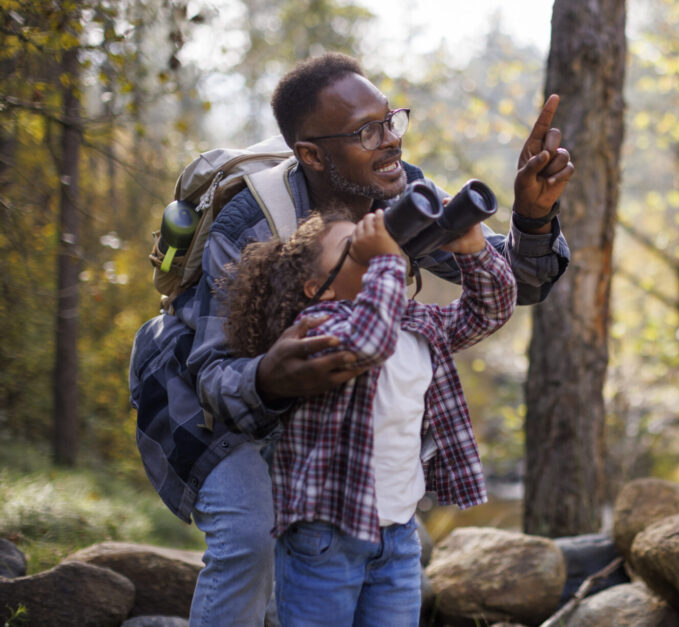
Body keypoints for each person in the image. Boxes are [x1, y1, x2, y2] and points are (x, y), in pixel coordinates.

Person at [156, 52, 573, 626]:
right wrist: (274, 376)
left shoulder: (399, 192)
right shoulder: (248, 221)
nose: (391, 141)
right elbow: (215, 379)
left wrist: (531, 217)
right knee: (250, 536)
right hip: (209, 394)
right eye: (367, 131)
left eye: (392, 120)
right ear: (311, 154)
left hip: (338, 435)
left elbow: (510, 289)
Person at [221, 207, 515, 625]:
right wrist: (388, 261)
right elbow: (368, 343)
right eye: (353, 246)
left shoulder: (416, 324)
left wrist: (474, 250)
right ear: (317, 288)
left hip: (398, 536)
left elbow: (489, 312)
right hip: (325, 537)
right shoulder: (318, 327)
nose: (375, 250)